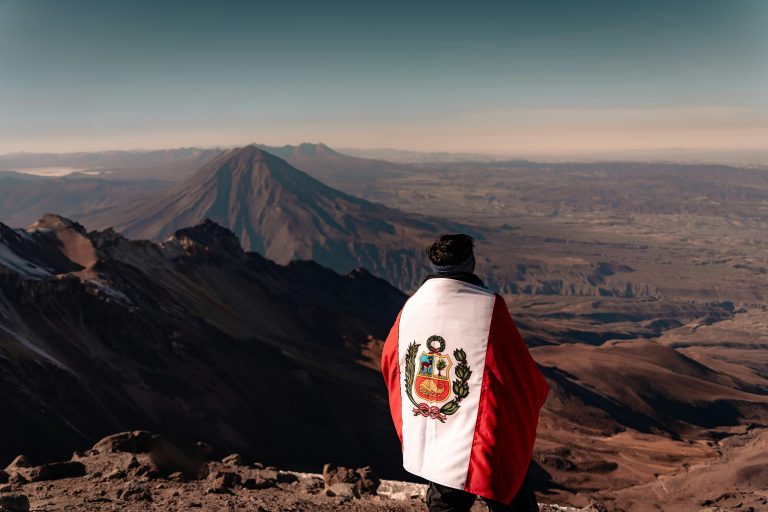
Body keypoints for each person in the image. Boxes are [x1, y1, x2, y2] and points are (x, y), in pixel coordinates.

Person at [381, 234, 549, 512]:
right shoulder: (488, 307)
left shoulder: (411, 307)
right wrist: (533, 392)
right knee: (504, 482)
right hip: (481, 424)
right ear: (469, 263)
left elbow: (391, 358)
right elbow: (517, 367)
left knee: (445, 491)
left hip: (438, 418)